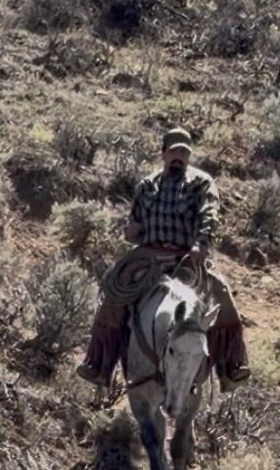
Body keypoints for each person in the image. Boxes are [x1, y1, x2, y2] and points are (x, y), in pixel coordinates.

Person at [76, 127, 251, 391]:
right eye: (174, 151)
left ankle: (231, 367)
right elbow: (135, 224)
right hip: (149, 256)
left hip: (186, 256)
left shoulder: (202, 183)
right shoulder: (148, 185)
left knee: (222, 294)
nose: (178, 156)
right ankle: (100, 365)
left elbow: (209, 216)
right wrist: (132, 230)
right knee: (113, 291)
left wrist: (200, 244)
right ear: (163, 154)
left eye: (184, 152)